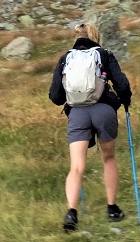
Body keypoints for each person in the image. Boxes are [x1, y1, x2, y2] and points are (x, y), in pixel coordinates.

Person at [48, 22, 132, 231]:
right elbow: (121, 84)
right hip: (104, 110)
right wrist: (125, 101)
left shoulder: (66, 58)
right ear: (96, 36)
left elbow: (56, 96)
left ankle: (71, 213)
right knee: (108, 158)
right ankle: (112, 209)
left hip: (77, 114)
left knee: (76, 167)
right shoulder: (104, 54)